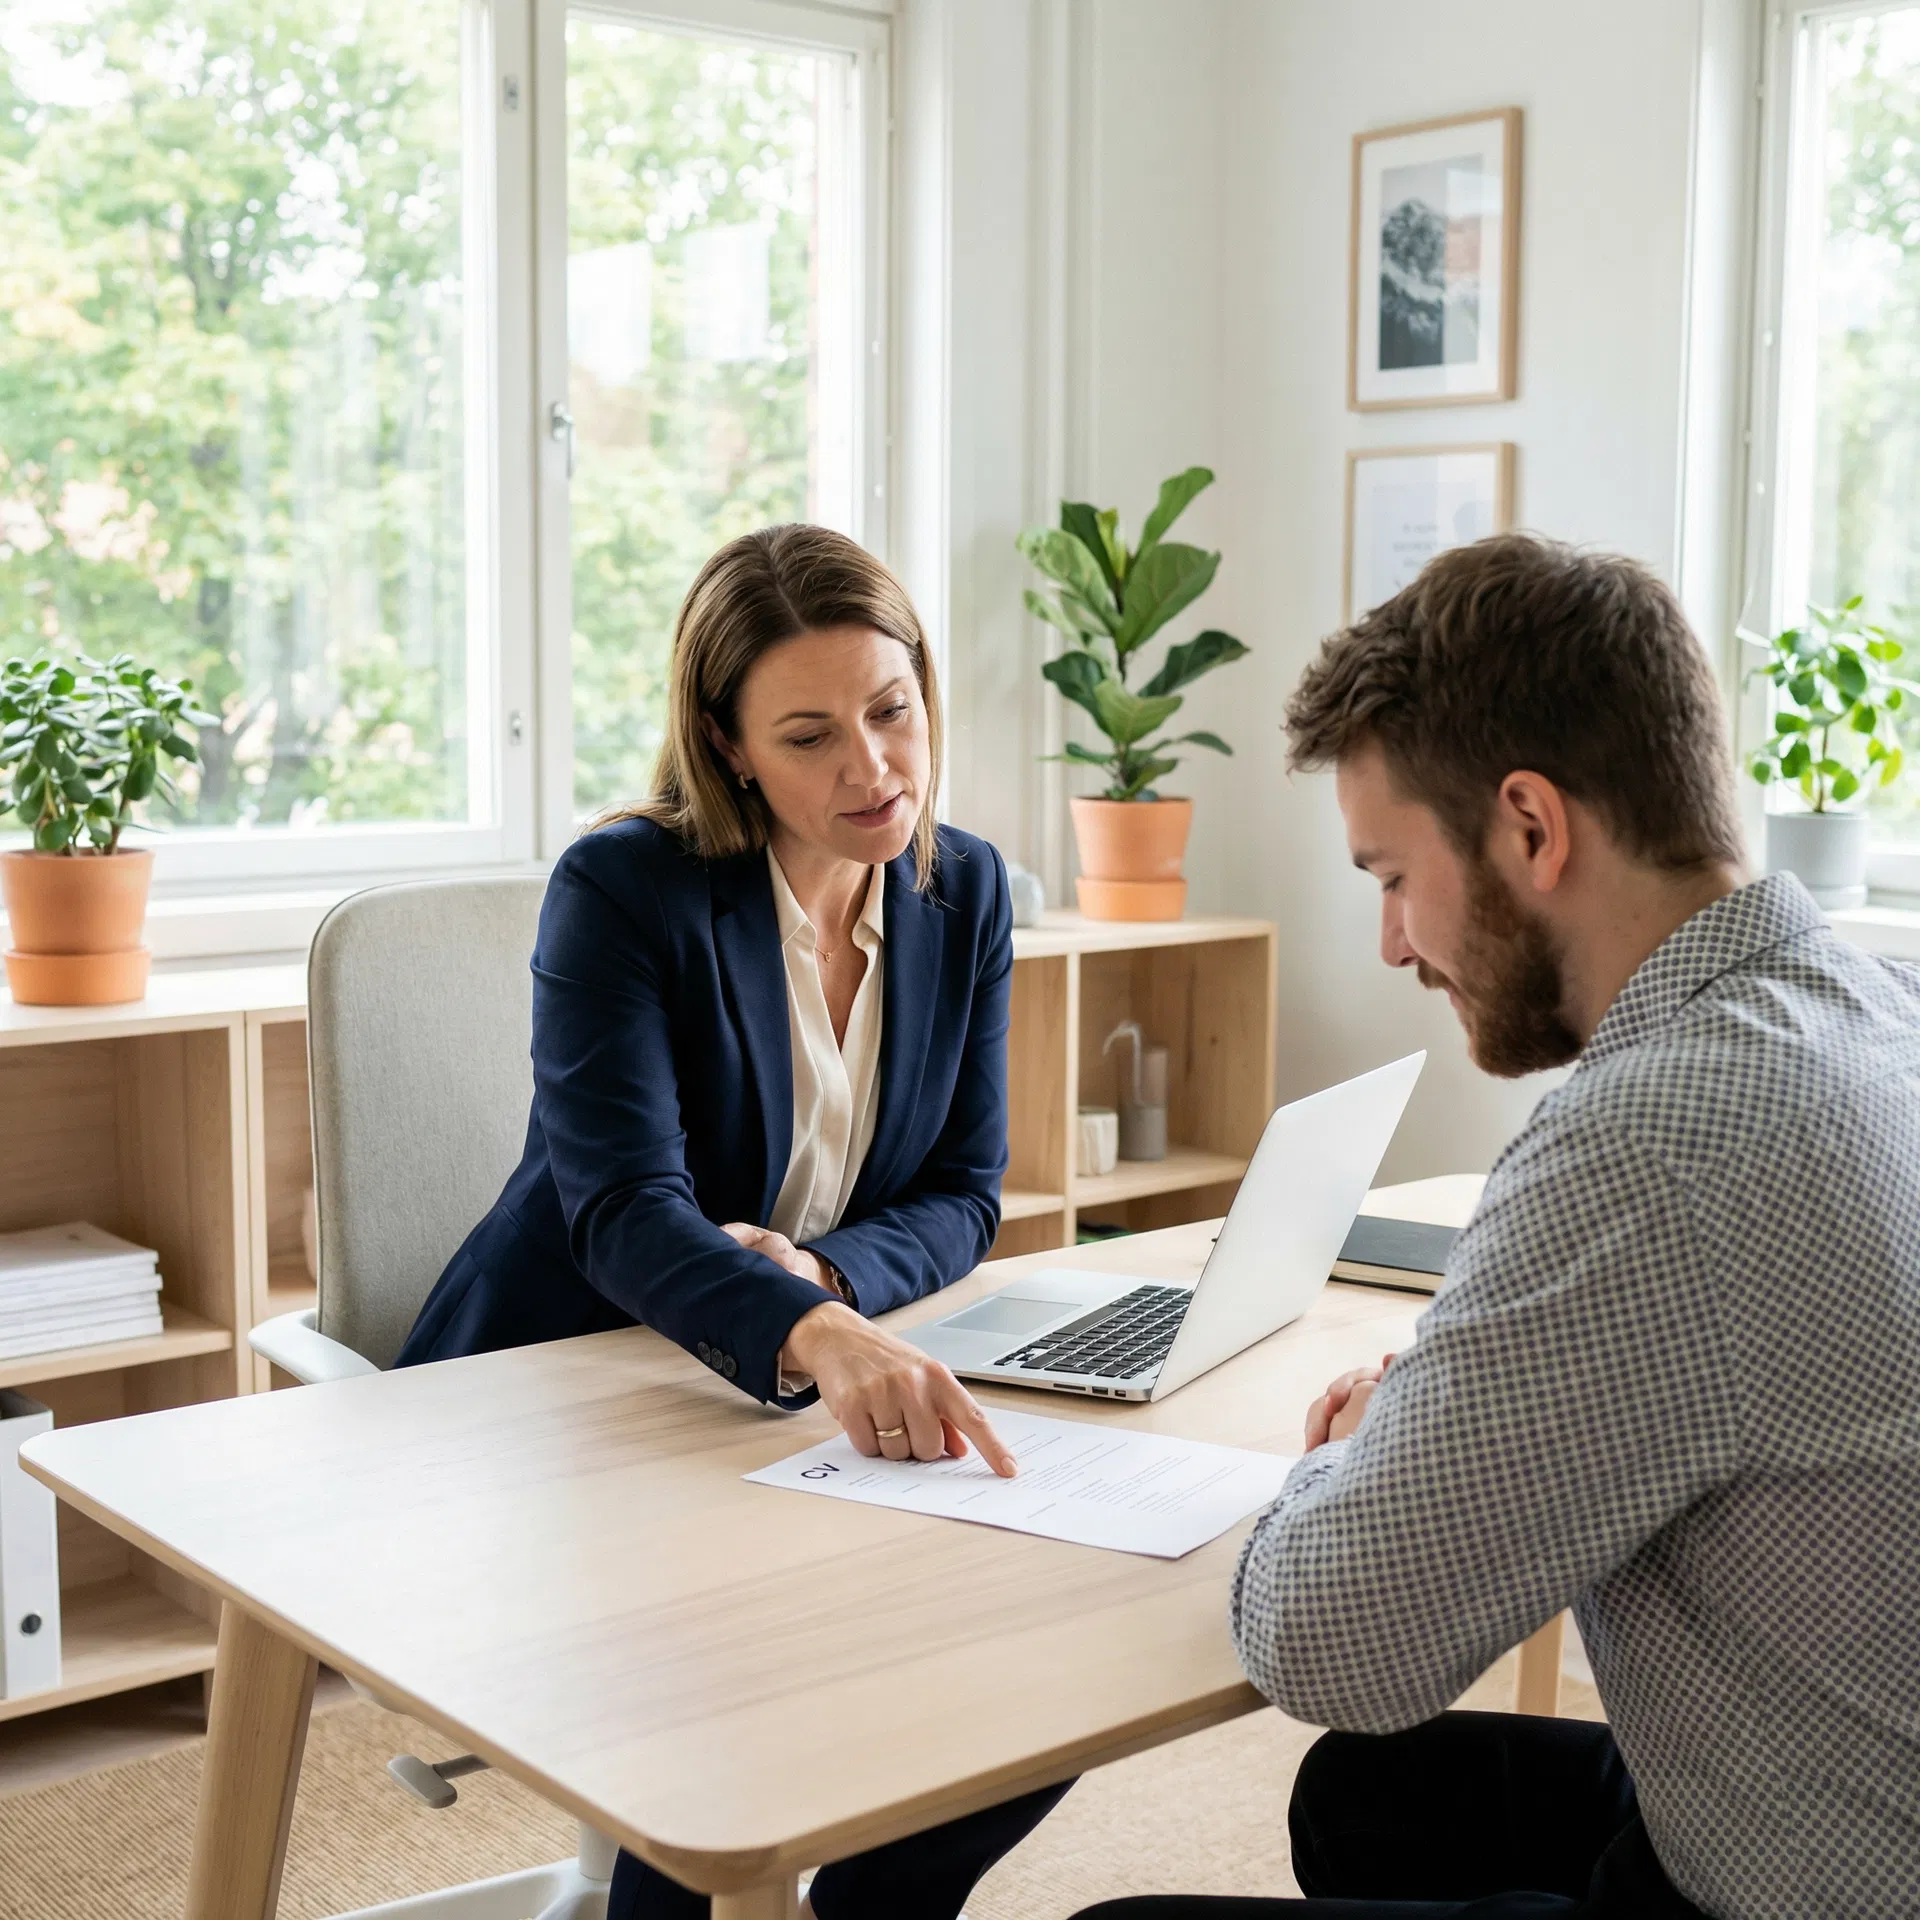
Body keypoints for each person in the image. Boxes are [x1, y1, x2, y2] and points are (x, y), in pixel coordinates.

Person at [1074, 533, 1920, 1919]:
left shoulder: (1648, 1142)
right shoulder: (1880, 1012)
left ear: (1531, 827)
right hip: (1838, 1789)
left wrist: (1355, 1462)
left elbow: (1332, 1646)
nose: (1395, 944)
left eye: (1392, 876)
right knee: (1370, 1796)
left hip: (1805, 1884)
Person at [399, 523, 1067, 1918]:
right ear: (730, 745)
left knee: (1052, 1644)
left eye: (892, 712)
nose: (874, 768)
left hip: (785, 1390)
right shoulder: (628, 890)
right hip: (570, 1383)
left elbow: (965, 1190)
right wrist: (816, 1331)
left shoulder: (969, 888)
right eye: (812, 735)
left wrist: (821, 1273)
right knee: (721, 1723)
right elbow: (623, 1212)